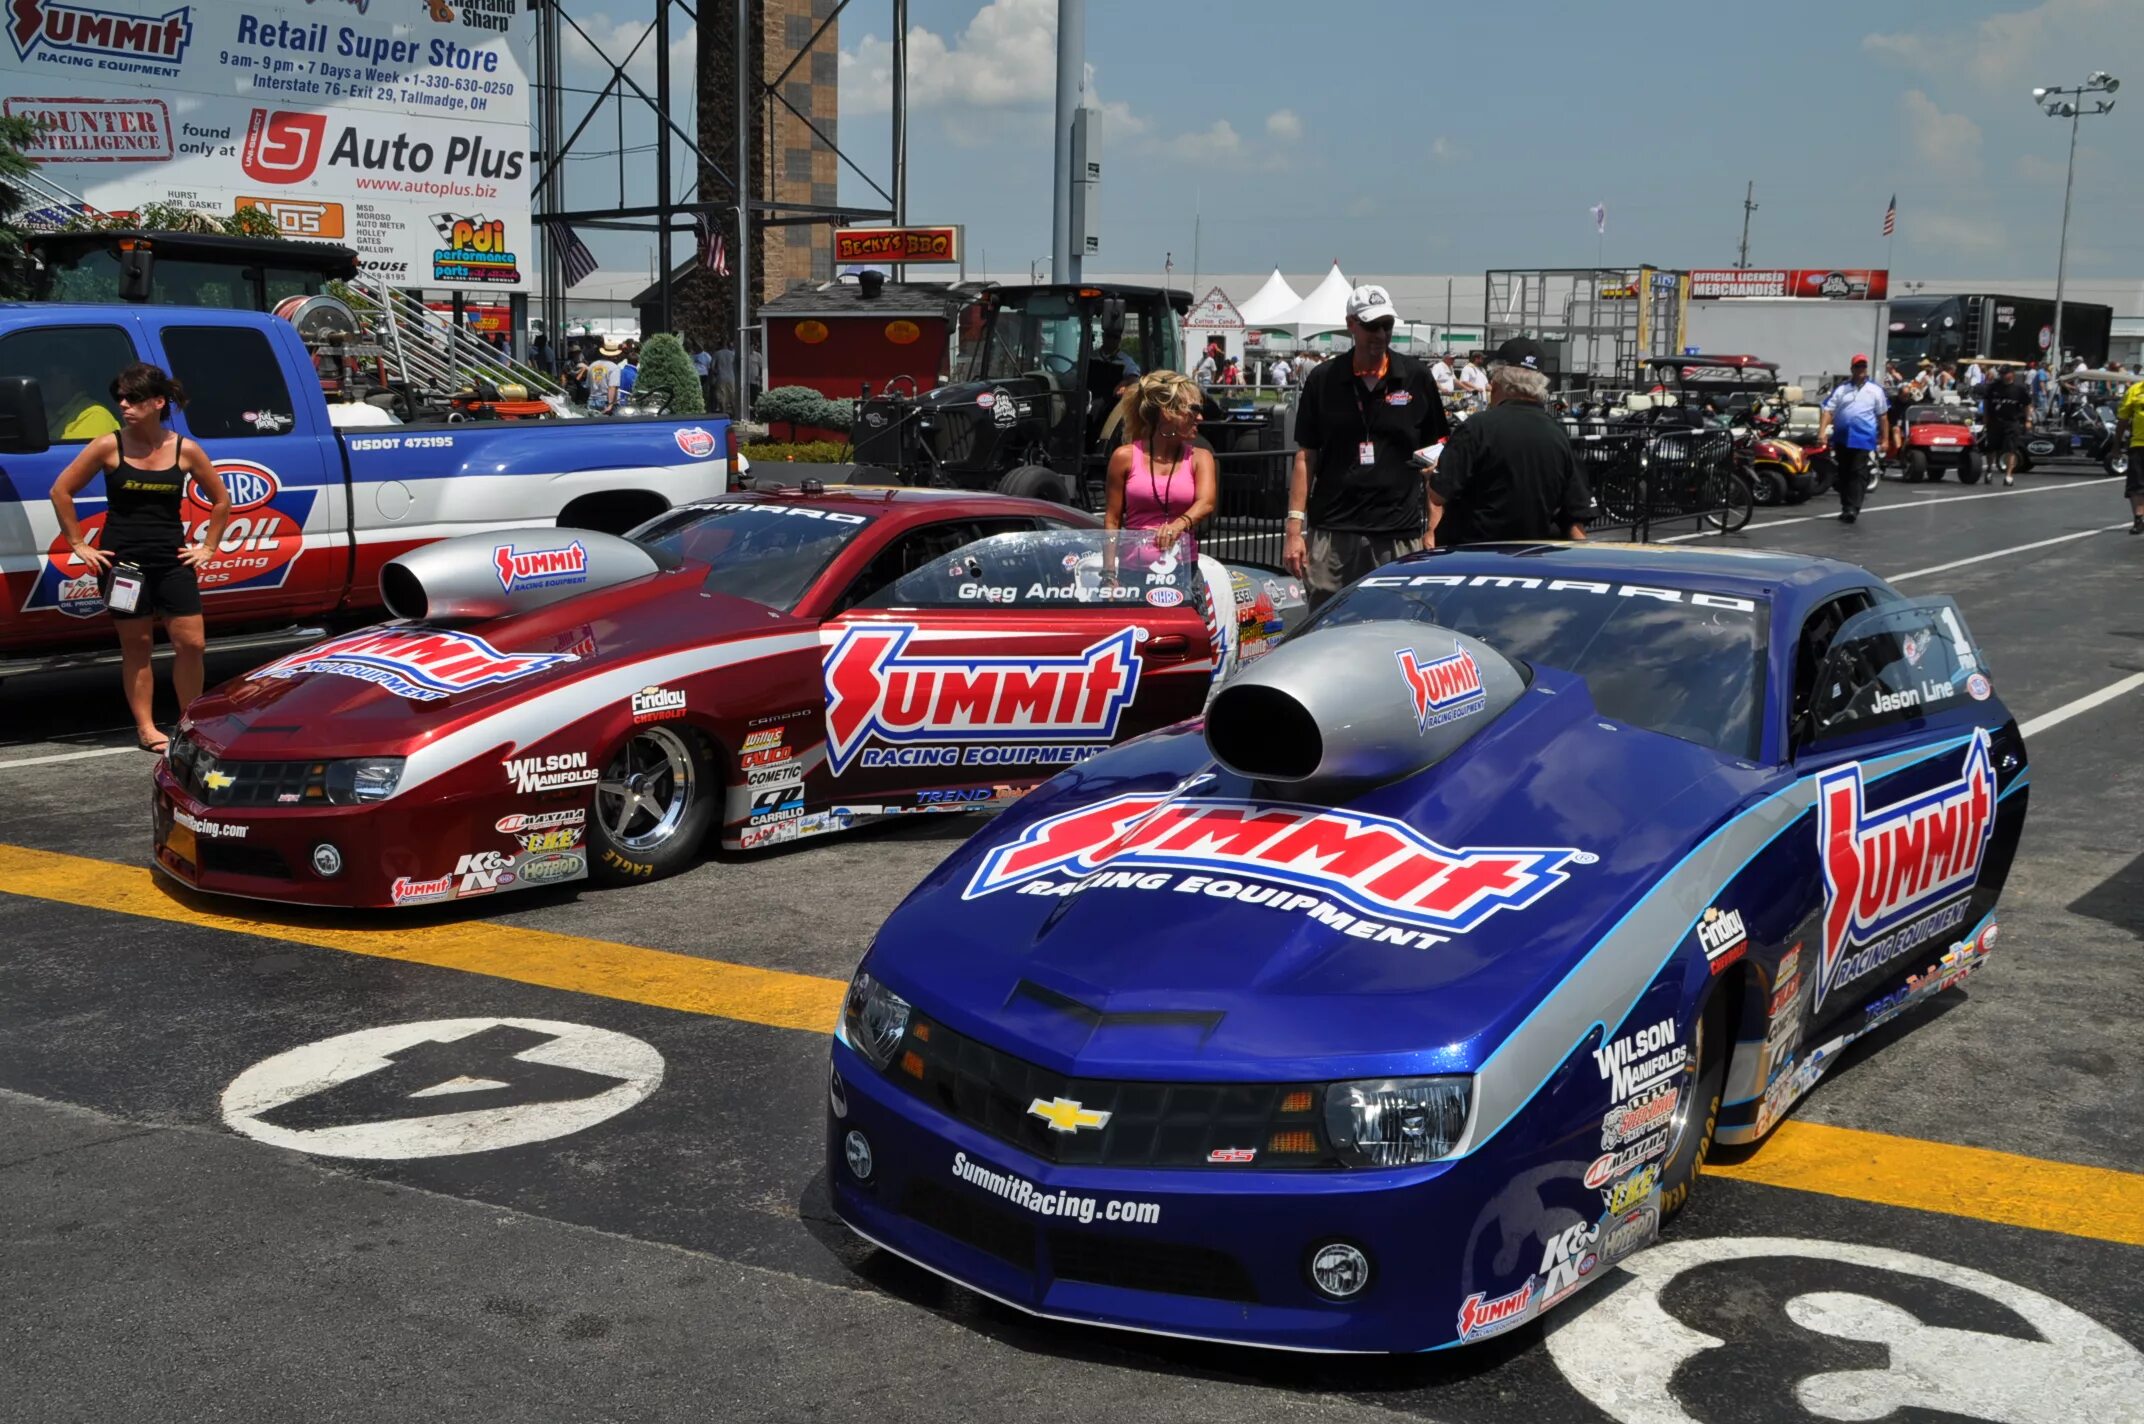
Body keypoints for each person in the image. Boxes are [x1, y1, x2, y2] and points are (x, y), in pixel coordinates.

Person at [48, 364, 229, 753]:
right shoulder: (107, 445)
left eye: (133, 399)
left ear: (158, 402)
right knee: (138, 646)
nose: (124, 405)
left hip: (171, 561)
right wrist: (79, 543)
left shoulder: (185, 449)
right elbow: (61, 491)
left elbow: (221, 501)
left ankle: (188, 721)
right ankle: (146, 728)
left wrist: (208, 547)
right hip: (122, 565)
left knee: (192, 644)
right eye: (121, 399)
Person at [1284, 285, 1451, 609]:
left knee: (1397, 623)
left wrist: (1434, 526)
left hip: (1398, 532)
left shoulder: (1415, 377)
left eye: (1386, 325)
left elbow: (1435, 453)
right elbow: (1307, 455)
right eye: (1372, 326)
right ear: (1351, 325)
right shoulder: (1324, 379)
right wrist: (1294, 529)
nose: (1380, 334)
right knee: (1326, 628)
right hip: (1333, 531)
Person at [1427, 337, 1590, 547]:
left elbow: (1439, 494)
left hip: (1475, 556)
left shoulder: (1477, 427)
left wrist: (1431, 476)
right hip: (1537, 558)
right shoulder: (1558, 434)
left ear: (1497, 381)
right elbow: (1575, 513)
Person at [1104, 370, 1218, 564]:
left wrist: (1177, 525)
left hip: (1182, 571)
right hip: (1134, 570)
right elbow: (1112, 521)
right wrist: (1108, 573)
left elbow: (1206, 502)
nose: (1199, 418)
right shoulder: (1125, 457)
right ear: (1167, 412)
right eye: (1193, 410)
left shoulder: (1200, 457)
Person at [1818, 353, 1889, 525]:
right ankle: (1846, 506)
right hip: (1842, 437)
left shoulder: (1875, 391)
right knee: (1843, 473)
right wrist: (1822, 433)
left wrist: (1885, 439)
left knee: (1857, 472)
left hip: (1863, 438)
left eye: (1863, 366)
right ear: (1852, 369)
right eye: (1858, 366)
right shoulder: (1842, 389)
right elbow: (1828, 410)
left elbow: (1883, 416)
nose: (1861, 369)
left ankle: (1853, 508)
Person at [1980, 365, 2033, 488]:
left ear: (2011, 374)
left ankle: (2009, 475)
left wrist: (2028, 420)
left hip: (2011, 422)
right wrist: (1985, 416)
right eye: (2001, 373)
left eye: (2005, 373)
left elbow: (2027, 405)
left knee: (2011, 448)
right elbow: (1986, 401)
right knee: (1991, 448)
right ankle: (1989, 470)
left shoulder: (2019, 389)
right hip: (1995, 421)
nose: (2003, 376)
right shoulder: (1993, 387)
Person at [585, 341, 623, 413]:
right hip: (606, 400)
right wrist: (610, 404)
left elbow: (588, 386)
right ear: (615, 355)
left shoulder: (592, 365)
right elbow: (612, 387)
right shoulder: (614, 367)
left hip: (592, 399)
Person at [712, 341, 738, 415]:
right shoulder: (732, 354)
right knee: (732, 395)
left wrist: (717, 373)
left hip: (721, 377)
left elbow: (712, 367)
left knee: (722, 395)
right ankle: (735, 413)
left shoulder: (717, 354)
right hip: (731, 377)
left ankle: (723, 413)